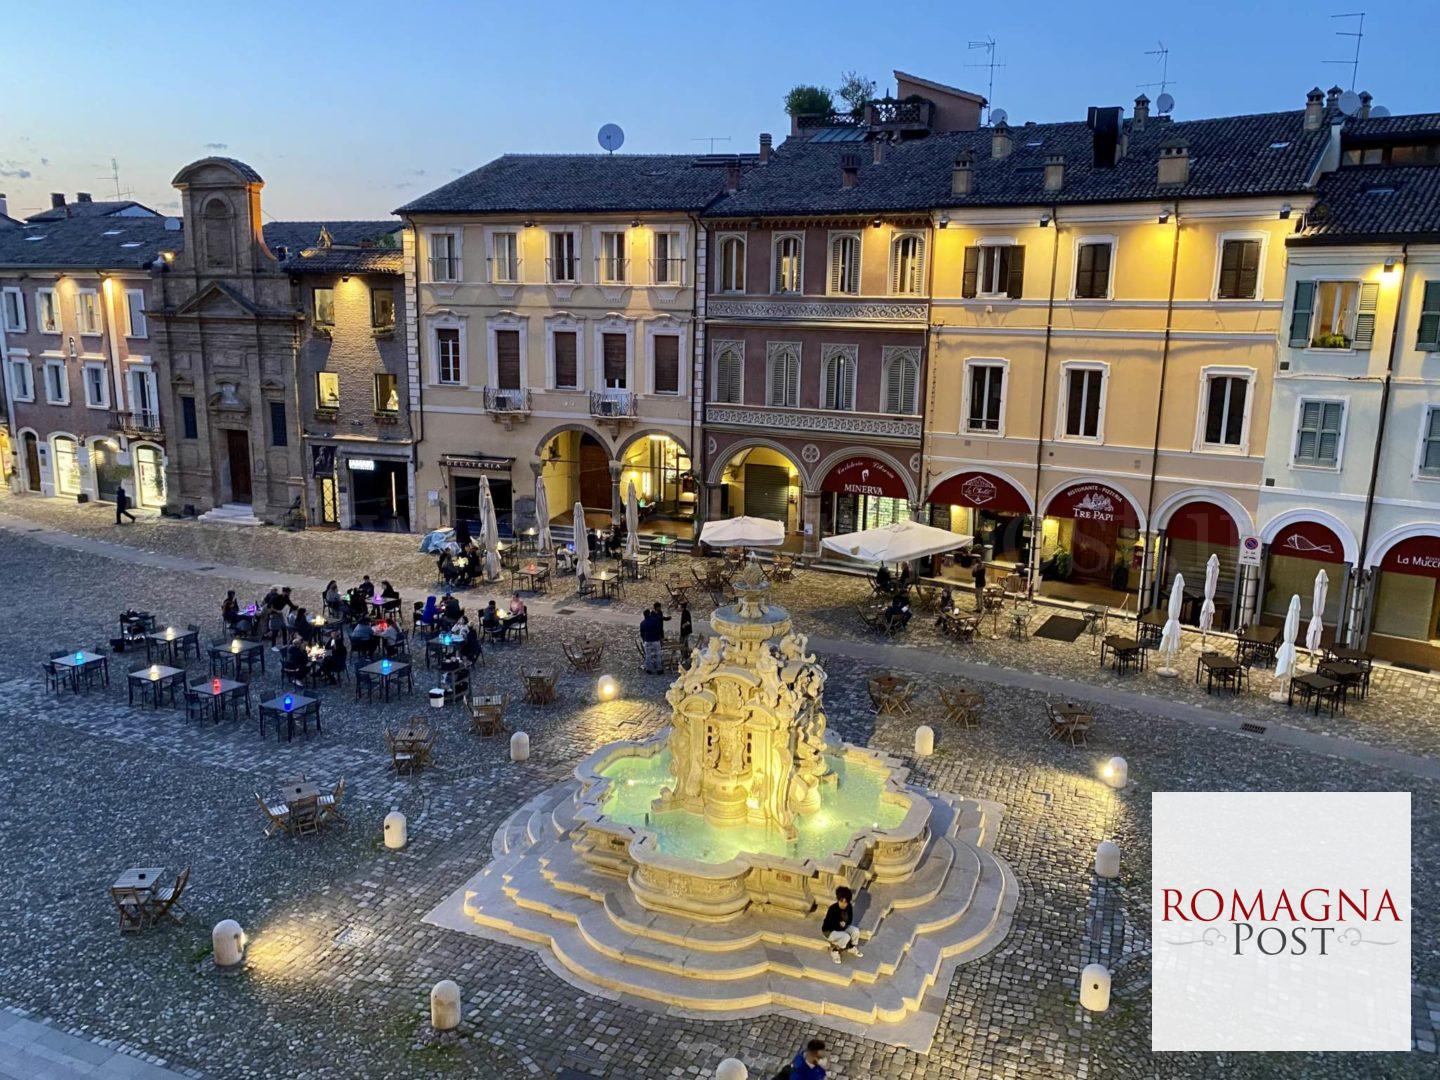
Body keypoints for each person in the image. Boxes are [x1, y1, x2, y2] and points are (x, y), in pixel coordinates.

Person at [822, 887, 863, 963]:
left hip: (841, 928)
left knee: (855, 930)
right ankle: (835, 951)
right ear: (838, 900)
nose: (843, 904)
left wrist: (845, 923)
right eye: (841, 901)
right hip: (829, 931)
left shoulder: (849, 907)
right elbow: (830, 924)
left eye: (845, 902)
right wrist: (840, 924)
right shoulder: (832, 909)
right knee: (846, 936)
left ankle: (851, 947)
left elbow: (850, 920)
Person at [639, 605, 665, 674]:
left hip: (647, 641)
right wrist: (661, 638)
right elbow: (659, 629)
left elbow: (642, 633)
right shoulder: (655, 621)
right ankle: (659, 669)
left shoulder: (642, 623)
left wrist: (644, 639)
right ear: (649, 614)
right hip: (655, 640)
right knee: (658, 654)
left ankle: (649, 669)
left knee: (648, 655)